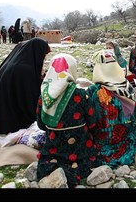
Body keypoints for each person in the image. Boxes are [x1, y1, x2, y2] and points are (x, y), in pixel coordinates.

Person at [36, 53, 101, 188]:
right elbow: (93, 121)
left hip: (54, 145)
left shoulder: (44, 95)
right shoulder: (82, 95)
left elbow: (41, 124)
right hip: (80, 146)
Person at [0, 37, 51, 134]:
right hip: (11, 113)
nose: (45, 58)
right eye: (44, 55)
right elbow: (30, 97)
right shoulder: (24, 70)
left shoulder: (18, 62)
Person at [87, 49, 136, 167]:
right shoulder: (127, 86)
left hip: (104, 142)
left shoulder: (95, 92)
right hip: (127, 140)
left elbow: (90, 120)